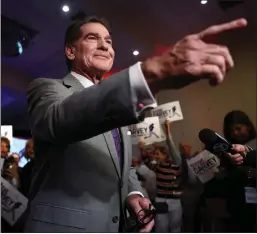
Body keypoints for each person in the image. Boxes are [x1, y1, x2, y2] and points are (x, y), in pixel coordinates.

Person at [24, 15, 247, 233]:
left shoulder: (120, 112)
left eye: (109, 41)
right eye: (92, 38)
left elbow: (122, 166)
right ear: (70, 51)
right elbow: (58, 120)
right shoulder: (47, 88)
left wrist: (134, 193)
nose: (104, 45)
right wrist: (149, 73)